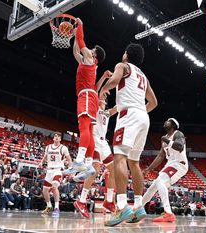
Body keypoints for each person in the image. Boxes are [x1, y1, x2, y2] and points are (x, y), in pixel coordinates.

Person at [100, 43, 158, 226]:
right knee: (134, 162)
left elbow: (115, 81)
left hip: (130, 116)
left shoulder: (122, 65)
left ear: (126, 55)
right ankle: (139, 206)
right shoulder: (143, 76)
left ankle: (122, 206)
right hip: (143, 117)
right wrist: (136, 111)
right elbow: (154, 102)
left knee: (119, 158)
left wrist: (102, 89)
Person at [67, 17, 106, 182]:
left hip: (87, 95)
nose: (89, 49)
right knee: (88, 130)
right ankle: (89, 164)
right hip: (90, 96)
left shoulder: (90, 58)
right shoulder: (87, 61)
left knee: (83, 127)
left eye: (92, 49)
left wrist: (80, 25)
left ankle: (79, 161)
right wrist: (75, 34)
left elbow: (81, 41)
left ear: (94, 54)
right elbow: (76, 51)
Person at [74, 73, 117, 218]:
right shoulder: (96, 108)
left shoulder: (107, 112)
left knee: (114, 169)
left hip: (104, 142)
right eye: (102, 97)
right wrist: (105, 79)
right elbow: (98, 91)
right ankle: (81, 200)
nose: (103, 99)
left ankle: (109, 201)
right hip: (94, 140)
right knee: (96, 168)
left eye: (105, 98)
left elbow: (119, 107)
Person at [140, 118, 188, 222]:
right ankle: (138, 209)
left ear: (173, 125)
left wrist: (168, 141)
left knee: (160, 182)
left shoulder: (178, 134)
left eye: (168, 121)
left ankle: (168, 213)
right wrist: (148, 169)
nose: (166, 121)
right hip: (170, 164)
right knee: (153, 187)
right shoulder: (164, 138)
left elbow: (180, 146)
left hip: (179, 164)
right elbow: (160, 156)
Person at [39, 132, 71, 217]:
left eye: (58, 136)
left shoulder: (63, 148)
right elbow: (45, 156)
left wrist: (71, 171)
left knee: (54, 186)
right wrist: (41, 162)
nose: (56, 137)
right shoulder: (48, 147)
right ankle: (49, 206)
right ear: (53, 138)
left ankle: (57, 208)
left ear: (60, 139)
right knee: (45, 190)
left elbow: (69, 159)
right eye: (55, 136)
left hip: (58, 170)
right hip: (49, 170)